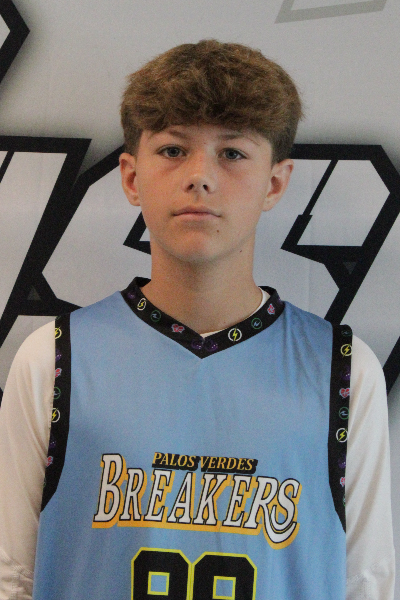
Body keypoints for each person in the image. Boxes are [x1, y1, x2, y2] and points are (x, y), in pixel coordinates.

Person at [0, 40, 394, 600]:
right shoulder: (54, 357)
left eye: (232, 153)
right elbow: (11, 577)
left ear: (275, 182)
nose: (200, 176)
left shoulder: (344, 370)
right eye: (173, 150)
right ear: (131, 177)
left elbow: (367, 585)